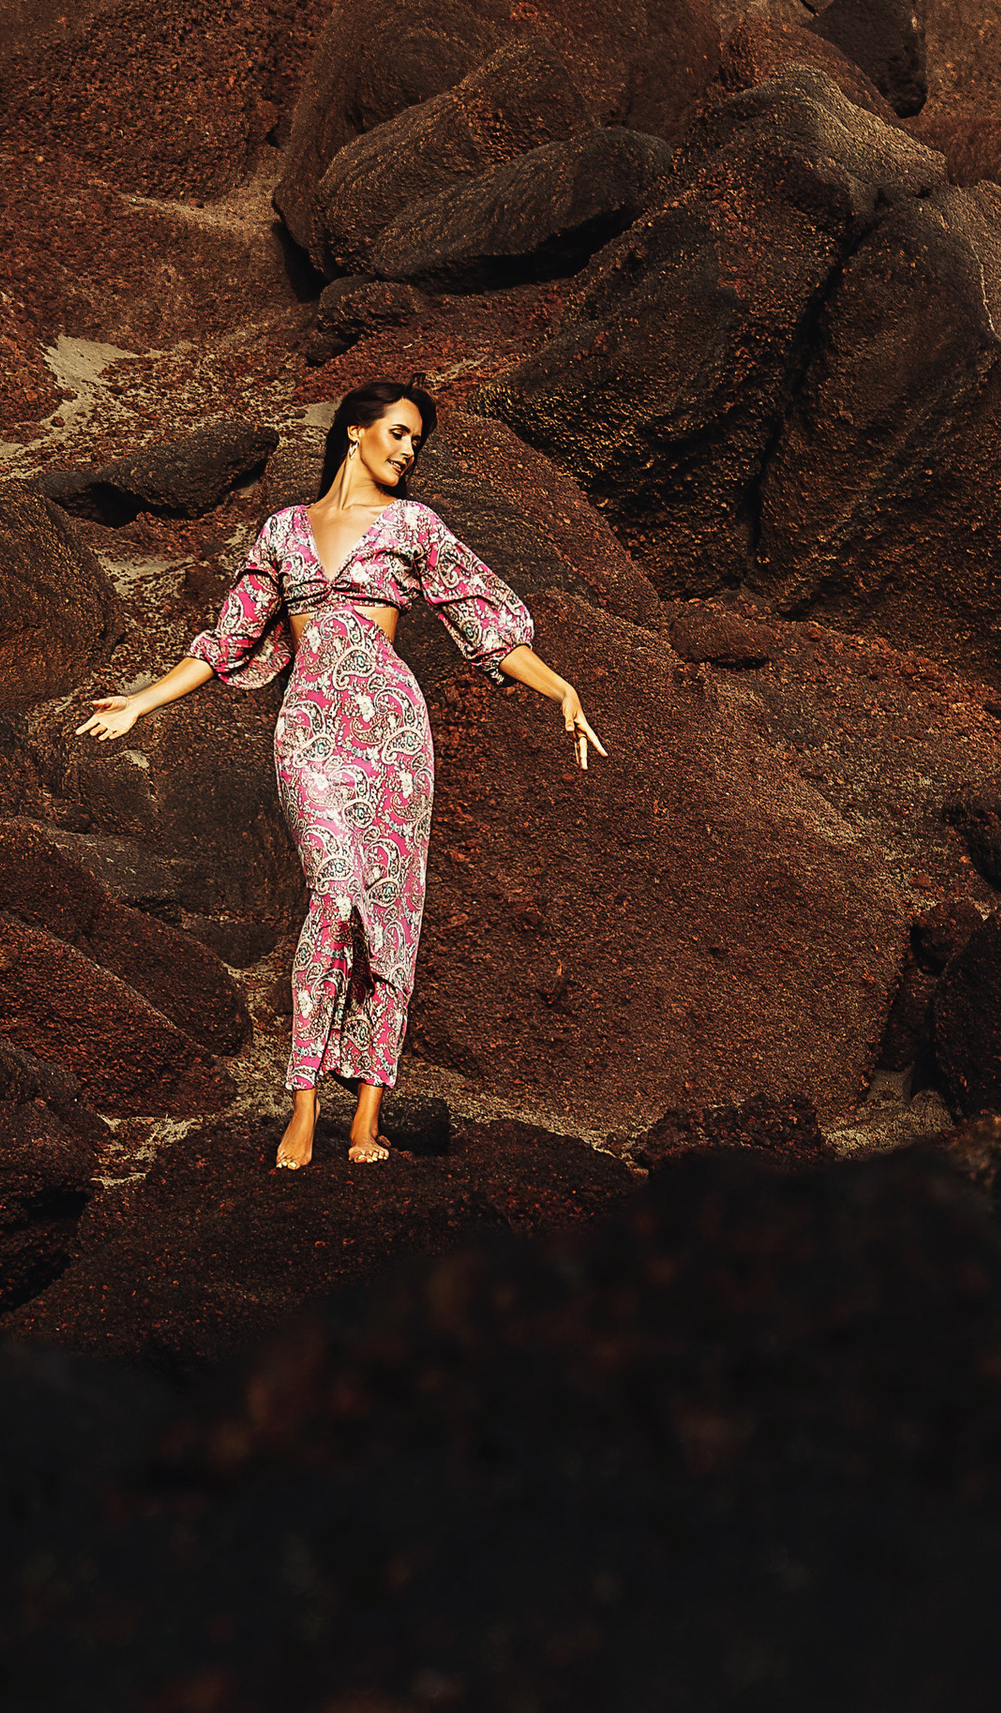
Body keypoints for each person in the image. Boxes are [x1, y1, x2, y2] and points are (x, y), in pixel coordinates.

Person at [77, 384, 607, 1169]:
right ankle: (302, 1104)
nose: (407, 450)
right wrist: (142, 702)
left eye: (416, 442)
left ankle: (364, 1117)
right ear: (355, 431)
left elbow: (485, 623)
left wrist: (559, 686)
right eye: (397, 433)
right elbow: (228, 640)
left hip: (392, 733)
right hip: (309, 735)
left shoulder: (414, 526)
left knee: (391, 915)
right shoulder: (282, 531)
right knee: (333, 894)